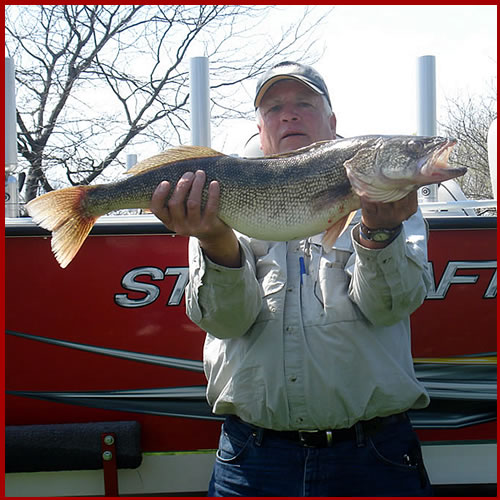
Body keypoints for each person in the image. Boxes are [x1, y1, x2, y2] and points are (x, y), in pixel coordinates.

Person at [150, 61, 434, 497]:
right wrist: (215, 241)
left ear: (332, 121)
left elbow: (388, 307)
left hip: (374, 456)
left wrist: (379, 233)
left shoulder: (393, 202)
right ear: (260, 128)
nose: (289, 114)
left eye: (304, 103)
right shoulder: (218, 197)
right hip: (253, 458)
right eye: (273, 107)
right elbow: (226, 324)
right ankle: (83, 205)